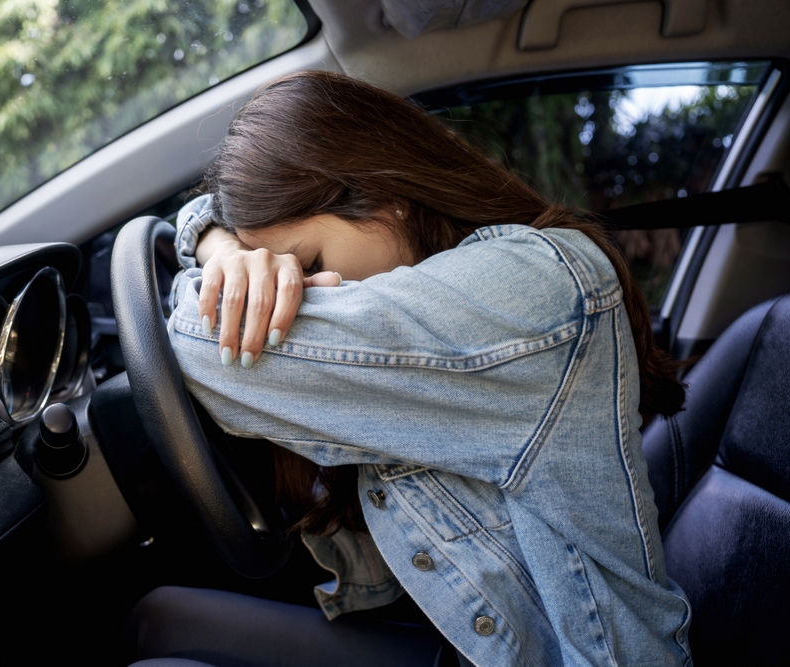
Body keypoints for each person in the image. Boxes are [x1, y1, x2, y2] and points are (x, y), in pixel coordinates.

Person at [133, 70, 693, 667]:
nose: (309, 293)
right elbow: (203, 216)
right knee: (157, 622)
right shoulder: (437, 280)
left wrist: (226, 261)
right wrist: (225, 248)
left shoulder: (531, 288)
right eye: (284, 276)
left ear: (386, 193)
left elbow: (202, 345)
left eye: (306, 265)